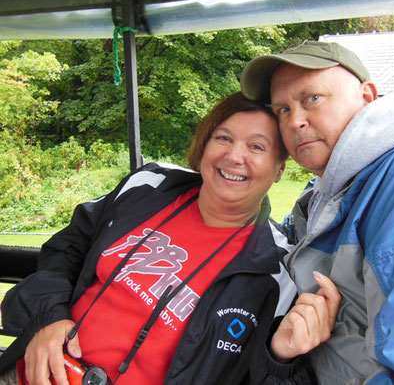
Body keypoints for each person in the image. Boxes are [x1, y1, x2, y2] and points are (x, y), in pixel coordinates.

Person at [0, 92, 341, 385]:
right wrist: (48, 317)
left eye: (257, 146)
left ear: (279, 169)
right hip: (30, 374)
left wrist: (280, 359)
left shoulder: (277, 274)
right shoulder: (149, 185)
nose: (234, 156)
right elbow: (65, 249)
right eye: (222, 138)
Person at [240, 40, 394, 384]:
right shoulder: (333, 188)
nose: (295, 120)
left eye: (312, 98)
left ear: (368, 96)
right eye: (282, 109)